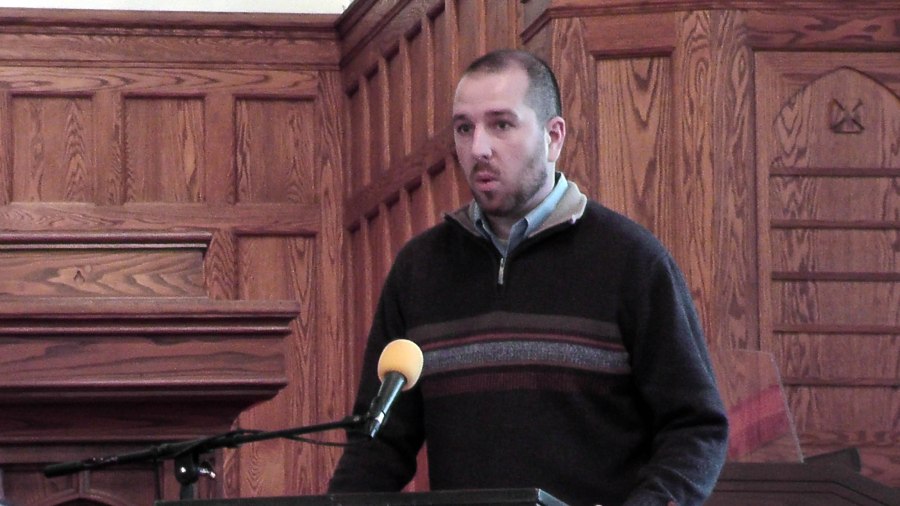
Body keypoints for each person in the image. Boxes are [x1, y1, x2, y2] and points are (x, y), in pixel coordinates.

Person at [328, 48, 729, 506]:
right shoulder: (419, 269)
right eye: (464, 128)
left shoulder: (632, 260)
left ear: (553, 137)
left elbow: (696, 426)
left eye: (501, 125)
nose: (478, 148)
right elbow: (378, 443)